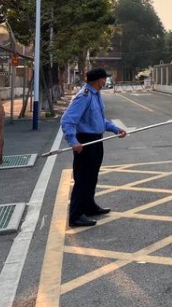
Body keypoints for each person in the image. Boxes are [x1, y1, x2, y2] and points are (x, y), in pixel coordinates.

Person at [61, 68, 127, 227]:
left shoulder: (95, 95)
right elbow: (67, 120)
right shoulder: (84, 96)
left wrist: (115, 129)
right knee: (83, 179)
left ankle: (89, 206)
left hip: (96, 140)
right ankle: (76, 215)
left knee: (91, 176)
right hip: (85, 142)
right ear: (100, 80)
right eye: (104, 78)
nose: (105, 81)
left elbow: (99, 120)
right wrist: (73, 141)